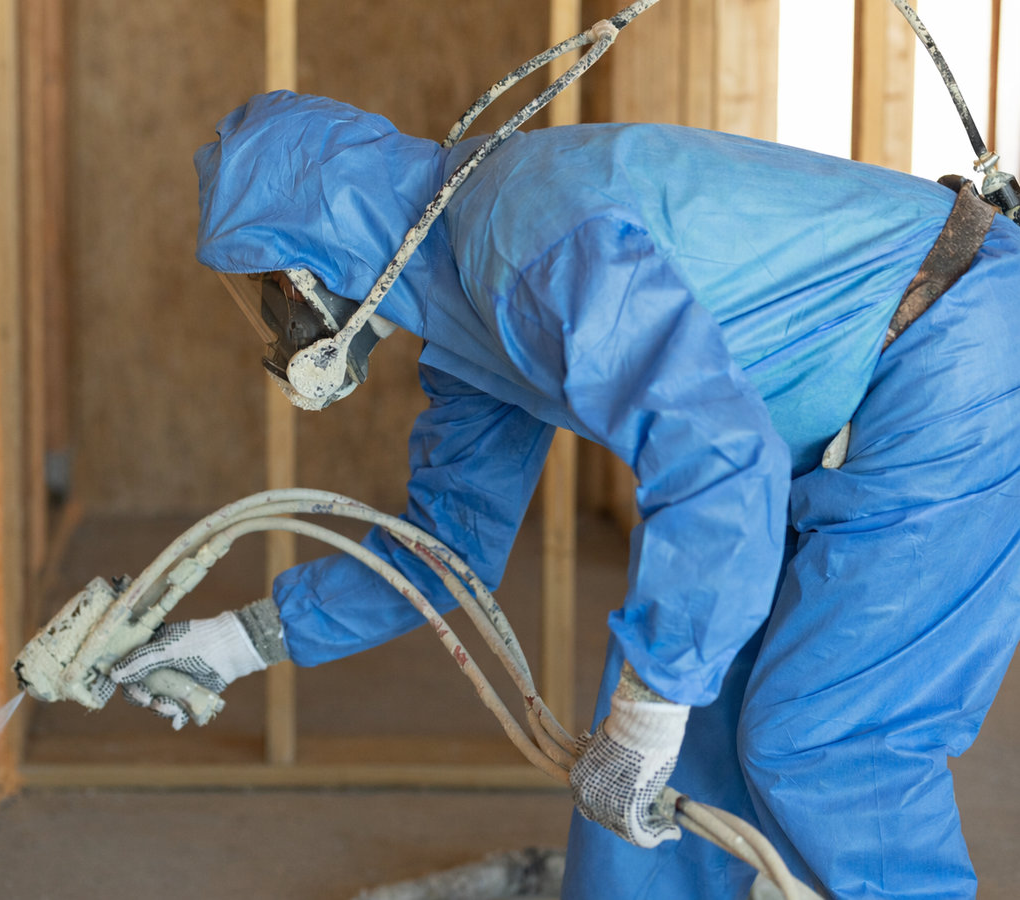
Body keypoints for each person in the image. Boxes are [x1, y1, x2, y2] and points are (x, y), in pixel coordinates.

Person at [109, 90, 1020, 899]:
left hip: (961, 353)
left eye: (267, 284)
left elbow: (717, 467)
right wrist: (230, 647)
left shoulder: (522, 230)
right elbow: (445, 551)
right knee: (675, 747)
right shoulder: (459, 311)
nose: (276, 320)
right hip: (853, 390)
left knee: (823, 738)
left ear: (317, 246)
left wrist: (647, 709)